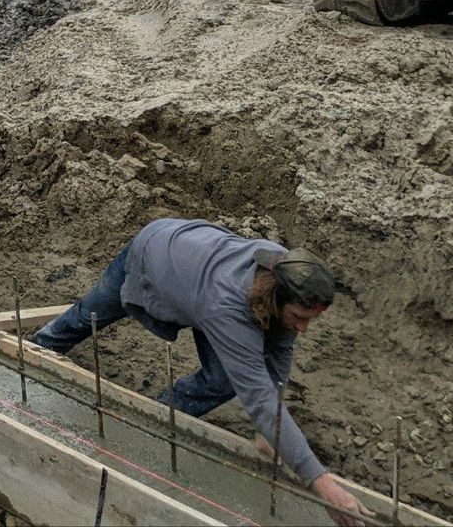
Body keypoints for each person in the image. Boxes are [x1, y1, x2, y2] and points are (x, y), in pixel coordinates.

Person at [32, 218, 366, 527]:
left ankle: (158, 417)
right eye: (299, 317)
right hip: (151, 254)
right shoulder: (229, 304)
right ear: (276, 297)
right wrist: (321, 483)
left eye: (310, 319)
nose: (303, 328)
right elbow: (258, 397)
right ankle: (36, 350)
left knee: (222, 380)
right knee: (87, 315)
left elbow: (279, 350)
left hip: (197, 272)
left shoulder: (288, 273)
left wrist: (271, 431)